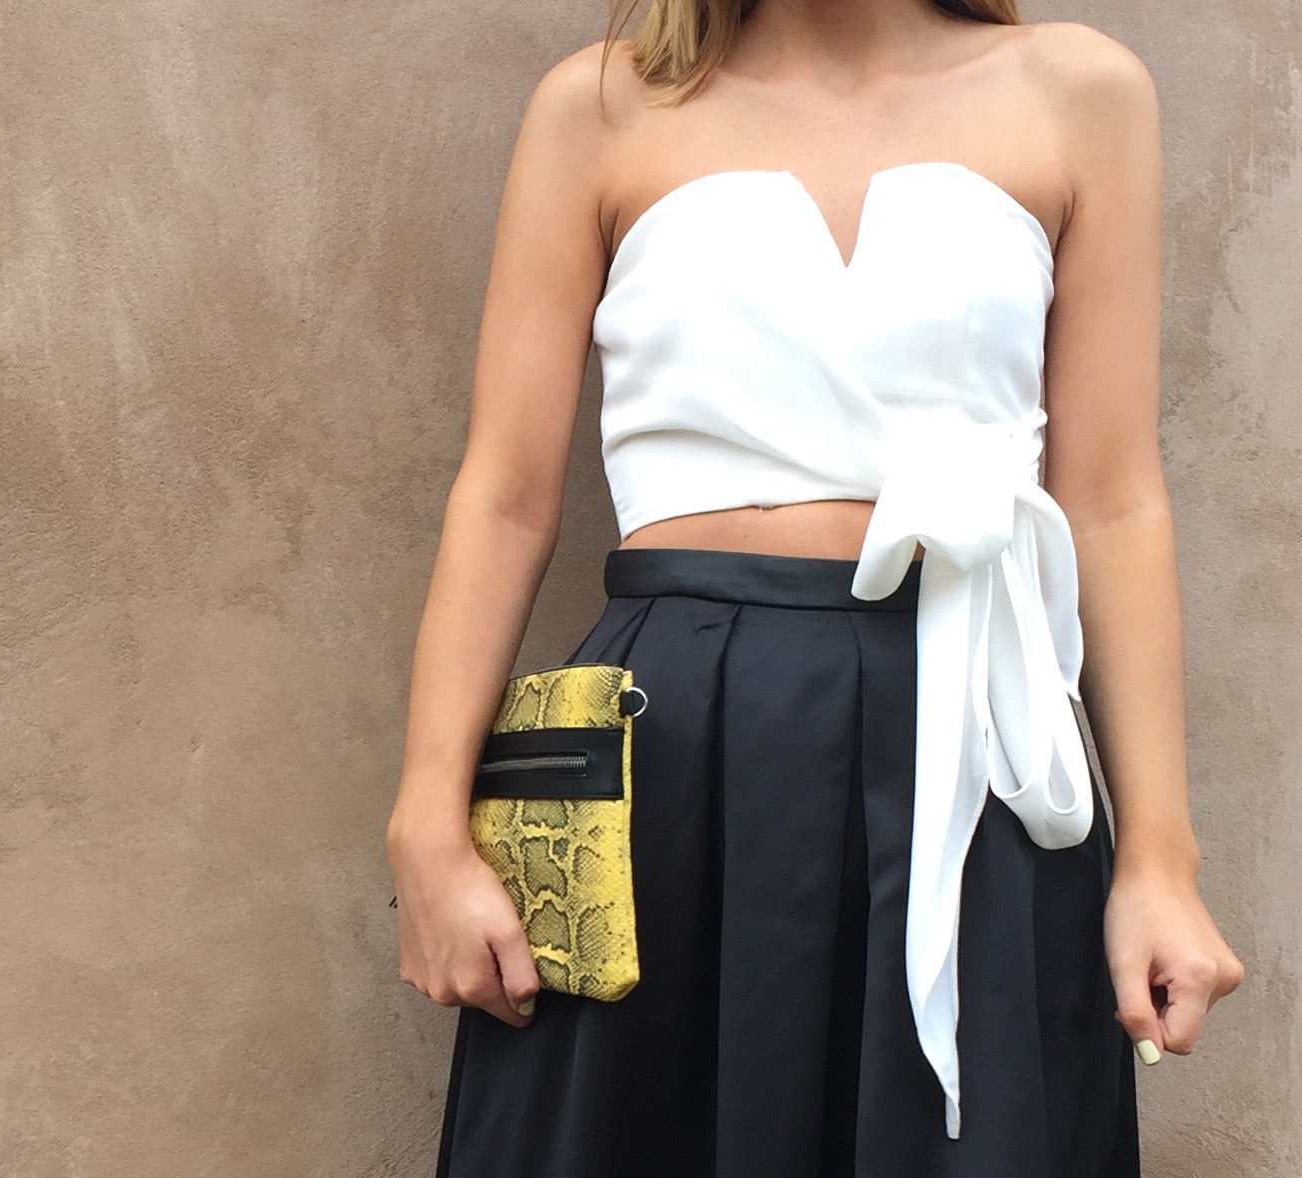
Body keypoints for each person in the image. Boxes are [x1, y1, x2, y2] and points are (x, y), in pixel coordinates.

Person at [385, 0, 1246, 1174]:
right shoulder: (597, 108)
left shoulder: (1078, 93)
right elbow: (502, 498)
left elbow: (1111, 503)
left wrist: (1158, 858)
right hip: (675, 760)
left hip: (975, 748)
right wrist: (426, 827)